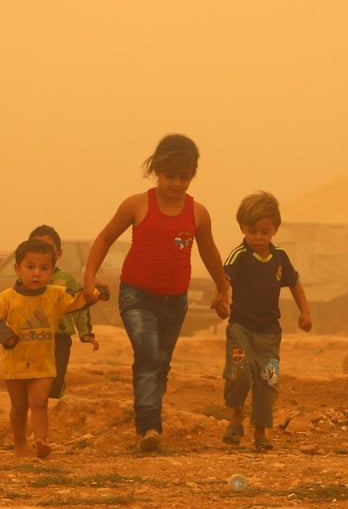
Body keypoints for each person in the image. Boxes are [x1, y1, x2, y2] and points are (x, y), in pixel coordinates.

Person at [82, 133, 230, 452]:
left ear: (192, 176)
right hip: (137, 296)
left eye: (184, 177)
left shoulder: (198, 213)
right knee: (148, 356)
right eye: (170, 175)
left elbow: (209, 253)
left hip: (175, 301)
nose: (176, 183)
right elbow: (105, 238)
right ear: (157, 170)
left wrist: (223, 288)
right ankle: (148, 429)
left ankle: (149, 423)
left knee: (160, 364)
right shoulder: (136, 205)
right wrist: (90, 276)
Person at [0, 239, 107, 458]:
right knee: (20, 407)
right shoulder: (7, 298)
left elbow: (78, 299)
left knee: (40, 402)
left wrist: (97, 293)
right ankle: (20, 443)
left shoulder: (56, 295)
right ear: (17, 268)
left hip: (43, 362)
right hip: (15, 363)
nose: (36, 273)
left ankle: (41, 442)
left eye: (44, 268)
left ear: (51, 271)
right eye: (30, 267)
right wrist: (7, 337)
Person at [219, 191, 312, 452]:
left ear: (274, 230)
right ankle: (236, 417)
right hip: (241, 328)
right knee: (240, 371)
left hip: (270, 333)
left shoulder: (280, 257)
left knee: (267, 380)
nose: (258, 237)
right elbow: (224, 279)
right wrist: (221, 298)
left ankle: (261, 431)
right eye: (252, 231)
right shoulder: (239, 255)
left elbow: (294, 283)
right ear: (242, 228)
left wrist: (304, 312)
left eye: (264, 231)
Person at [28, 225, 99, 399]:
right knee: (33, 378)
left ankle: (54, 398)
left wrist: (85, 332)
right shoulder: (24, 280)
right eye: (36, 247)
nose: (41, 252)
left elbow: (81, 306)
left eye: (47, 248)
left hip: (60, 337)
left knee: (56, 377)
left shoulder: (67, 280)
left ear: (58, 254)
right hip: (32, 338)